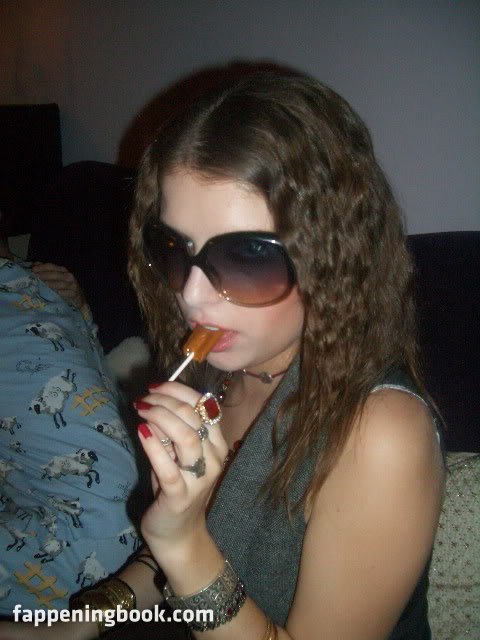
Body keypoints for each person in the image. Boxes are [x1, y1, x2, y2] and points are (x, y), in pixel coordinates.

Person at [0, 72, 445, 639]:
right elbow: (171, 540)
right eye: (174, 249)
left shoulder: (380, 434)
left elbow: (183, 542)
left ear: (335, 257)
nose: (191, 295)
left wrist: (184, 543)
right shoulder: (224, 368)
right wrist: (73, 625)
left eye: (246, 257)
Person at [0, 217, 140, 617]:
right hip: (109, 534)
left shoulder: (46, 278)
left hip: (96, 538)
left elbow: (85, 365)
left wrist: (79, 309)